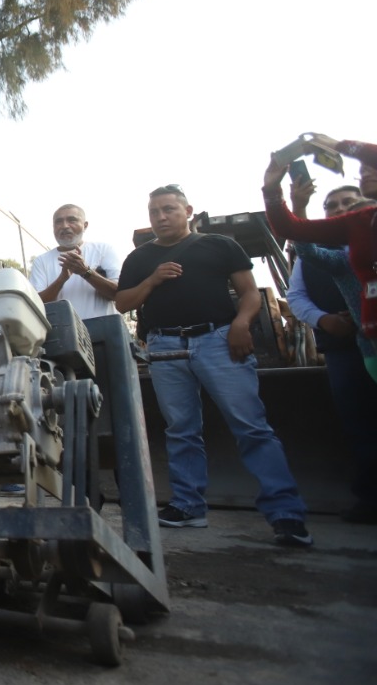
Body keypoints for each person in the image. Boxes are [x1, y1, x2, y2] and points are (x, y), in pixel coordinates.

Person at [115, 184, 312, 547]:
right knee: (180, 430)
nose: (161, 217)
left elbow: (251, 293)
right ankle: (188, 507)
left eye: (169, 209)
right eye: (154, 211)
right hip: (164, 347)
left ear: (188, 211)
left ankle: (286, 513)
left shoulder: (221, 245)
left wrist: (240, 325)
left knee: (251, 427)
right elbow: (122, 302)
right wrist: (153, 279)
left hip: (218, 341)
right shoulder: (139, 259)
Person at [284, 183, 377, 524]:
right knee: (361, 425)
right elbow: (296, 297)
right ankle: (370, 498)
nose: (339, 209)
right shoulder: (322, 256)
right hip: (346, 351)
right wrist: (323, 320)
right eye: (332, 205)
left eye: (348, 203)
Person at [262, 138, 377, 374]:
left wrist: (339, 146)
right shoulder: (359, 222)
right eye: (361, 168)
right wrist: (272, 189)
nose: (363, 170)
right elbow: (291, 230)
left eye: (369, 166)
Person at [28, 204, 120, 318]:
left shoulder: (103, 250)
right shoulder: (41, 261)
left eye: (72, 220)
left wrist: (86, 272)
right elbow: (36, 305)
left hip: (103, 331)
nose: (65, 226)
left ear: (85, 226)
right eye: (59, 222)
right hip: (63, 333)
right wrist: (61, 279)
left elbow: (119, 294)